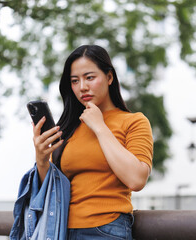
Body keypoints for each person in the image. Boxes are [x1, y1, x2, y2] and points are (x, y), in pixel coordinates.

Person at [32, 45, 154, 239]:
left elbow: (136, 179)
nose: (82, 87)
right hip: (61, 230)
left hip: (107, 229)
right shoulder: (69, 127)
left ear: (109, 77)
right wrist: (41, 159)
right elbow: (51, 188)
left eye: (89, 77)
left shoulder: (134, 122)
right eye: (74, 81)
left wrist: (100, 127)